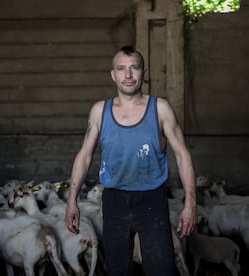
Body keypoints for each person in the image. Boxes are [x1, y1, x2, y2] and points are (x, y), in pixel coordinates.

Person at [65, 45, 196, 276]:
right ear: (113, 74)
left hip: (152, 200)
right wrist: (71, 200)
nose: (128, 75)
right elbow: (84, 155)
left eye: (134, 68)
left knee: (161, 270)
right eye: (122, 69)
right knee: (118, 271)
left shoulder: (160, 109)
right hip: (114, 201)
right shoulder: (99, 111)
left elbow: (183, 154)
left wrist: (190, 203)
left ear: (144, 73)